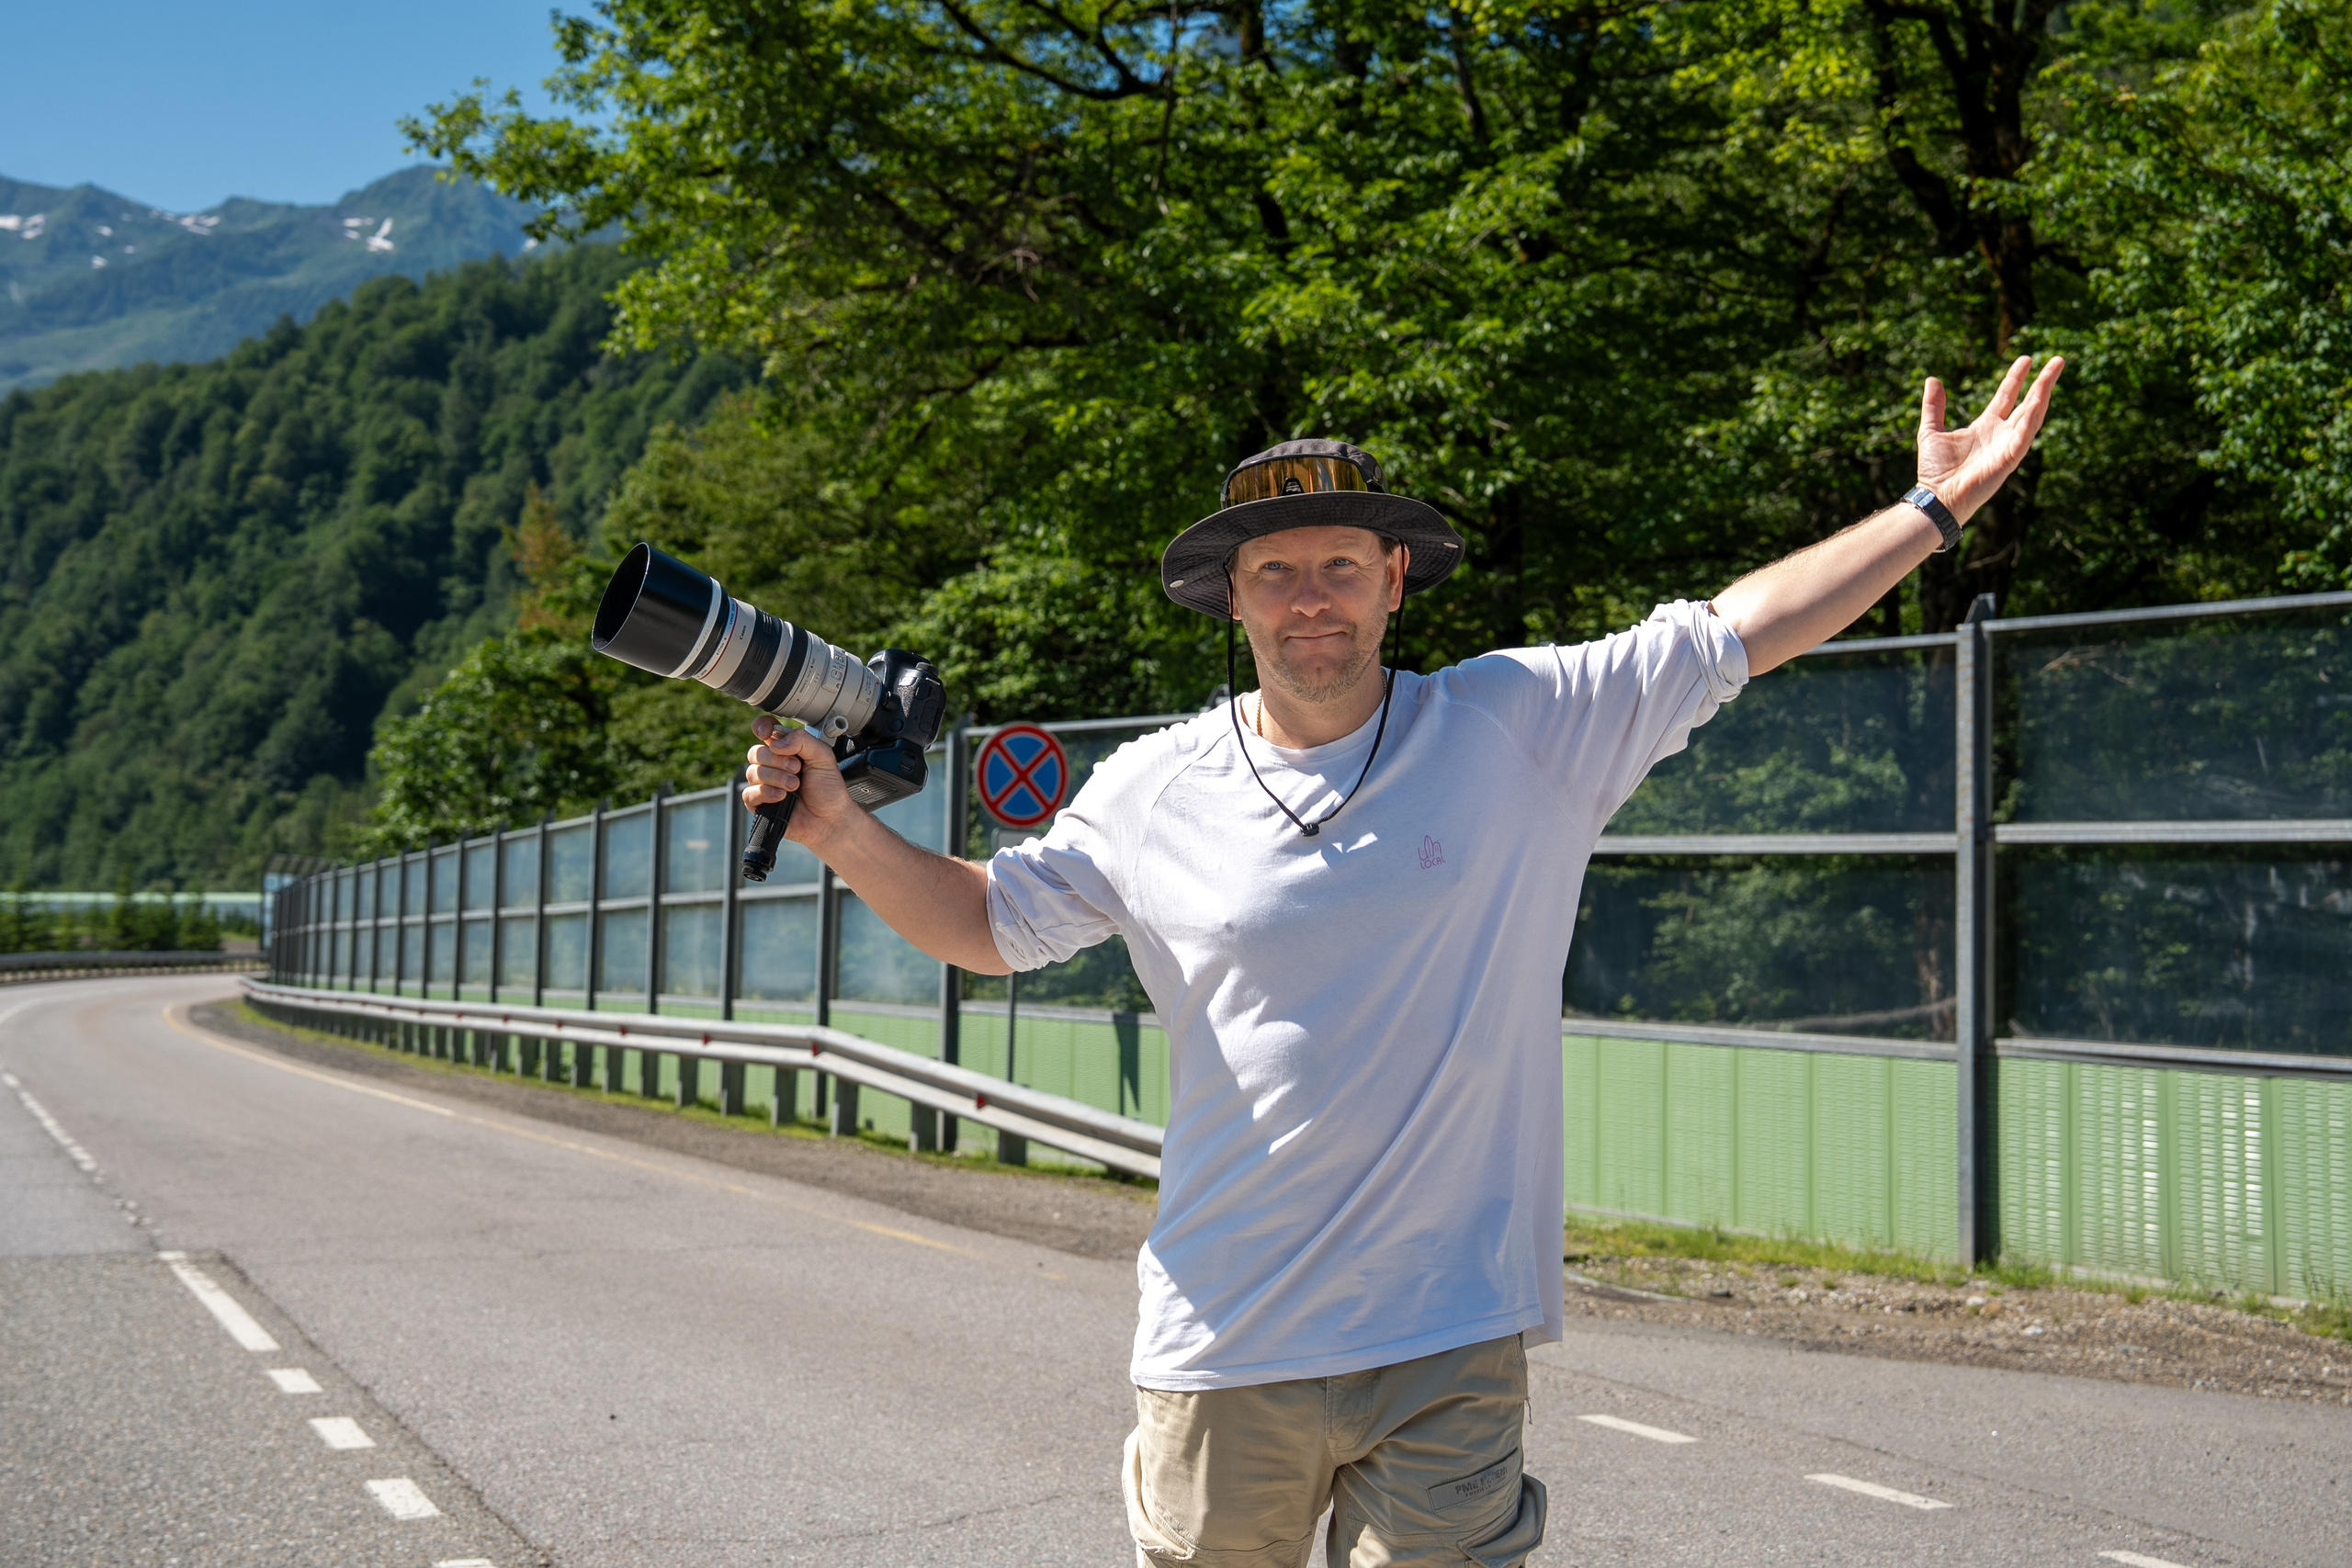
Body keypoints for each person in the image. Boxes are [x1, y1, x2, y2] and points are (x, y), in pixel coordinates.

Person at [743, 355, 2064, 1566]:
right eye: (1274, 573)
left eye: (1336, 565)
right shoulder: (1156, 788)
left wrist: (1930, 512)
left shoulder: (1522, 725)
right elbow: (986, 922)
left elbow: (1740, 630)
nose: (1307, 597)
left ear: (1392, 575)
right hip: (1225, 1344)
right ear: (1231, 600)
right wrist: (845, 831)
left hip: (1448, 1338)